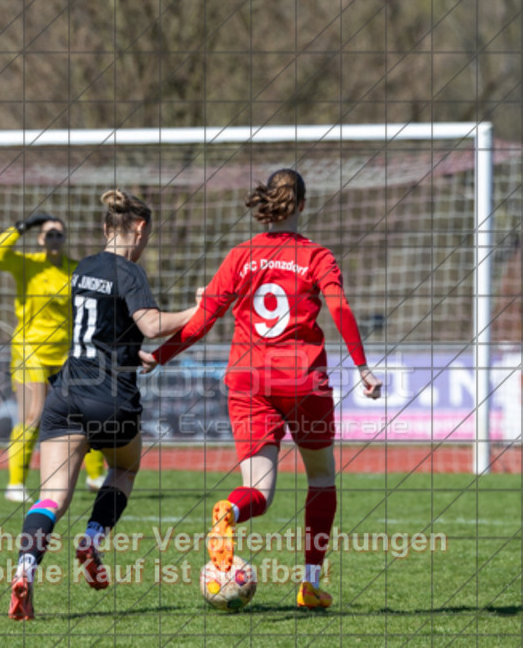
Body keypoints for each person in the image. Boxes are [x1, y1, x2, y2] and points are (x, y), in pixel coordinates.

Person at [139, 169, 383, 610]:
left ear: (266, 206)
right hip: (303, 380)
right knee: (322, 478)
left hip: (249, 382)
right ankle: (309, 583)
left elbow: (204, 318)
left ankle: (230, 512)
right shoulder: (317, 256)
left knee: (260, 493)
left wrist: (162, 354)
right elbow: (340, 307)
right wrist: (362, 366)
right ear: (303, 206)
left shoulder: (240, 256)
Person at [8, 189, 198, 620]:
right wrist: (198, 309)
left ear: (103, 227)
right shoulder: (129, 272)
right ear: (141, 229)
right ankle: (93, 540)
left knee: (52, 496)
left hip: (68, 394)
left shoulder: (82, 269)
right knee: (126, 468)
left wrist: (132, 354)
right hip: (111, 400)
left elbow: (101, 333)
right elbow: (149, 324)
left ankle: (24, 568)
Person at [0, 213, 107, 503]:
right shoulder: (27, 265)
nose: (54, 238)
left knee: (84, 413)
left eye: (59, 234)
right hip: (30, 352)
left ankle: (95, 476)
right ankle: (15, 484)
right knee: (32, 416)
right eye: (48, 234)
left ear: (64, 239)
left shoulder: (74, 269)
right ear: (41, 239)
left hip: (68, 352)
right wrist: (20, 227)